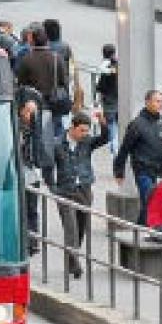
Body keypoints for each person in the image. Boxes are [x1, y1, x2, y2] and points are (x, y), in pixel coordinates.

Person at [53, 111, 110, 279]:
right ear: (72, 127)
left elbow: (104, 139)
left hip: (84, 189)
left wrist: (102, 122)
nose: (84, 134)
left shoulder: (86, 142)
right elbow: (48, 165)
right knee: (70, 228)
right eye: (82, 130)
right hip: (65, 190)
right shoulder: (57, 144)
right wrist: (52, 186)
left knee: (81, 227)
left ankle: (71, 258)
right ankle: (75, 264)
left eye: (87, 131)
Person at [113, 90, 162, 225]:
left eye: (161, 101)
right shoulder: (137, 124)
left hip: (158, 170)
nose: (160, 104)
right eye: (157, 101)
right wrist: (119, 171)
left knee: (151, 203)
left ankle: (139, 230)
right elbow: (124, 149)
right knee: (150, 200)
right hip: (143, 170)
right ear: (148, 102)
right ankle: (144, 231)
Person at [17, 90, 54, 254]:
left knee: (32, 208)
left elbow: (44, 150)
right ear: (21, 110)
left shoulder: (38, 127)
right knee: (20, 208)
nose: (31, 116)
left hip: (32, 173)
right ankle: (23, 240)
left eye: (34, 113)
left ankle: (32, 241)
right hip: (17, 173)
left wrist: (47, 175)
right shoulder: (12, 126)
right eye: (28, 112)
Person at [15, 26, 70, 130]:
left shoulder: (27, 59)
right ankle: (58, 145)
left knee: (37, 130)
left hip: (34, 102)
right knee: (56, 128)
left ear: (32, 41)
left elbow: (21, 82)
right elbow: (64, 80)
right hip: (55, 101)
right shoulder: (56, 57)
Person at [95, 44, 119, 154]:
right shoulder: (118, 65)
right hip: (119, 98)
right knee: (118, 124)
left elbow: (99, 87)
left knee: (111, 125)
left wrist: (97, 101)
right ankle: (117, 147)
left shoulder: (103, 67)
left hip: (108, 99)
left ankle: (115, 150)